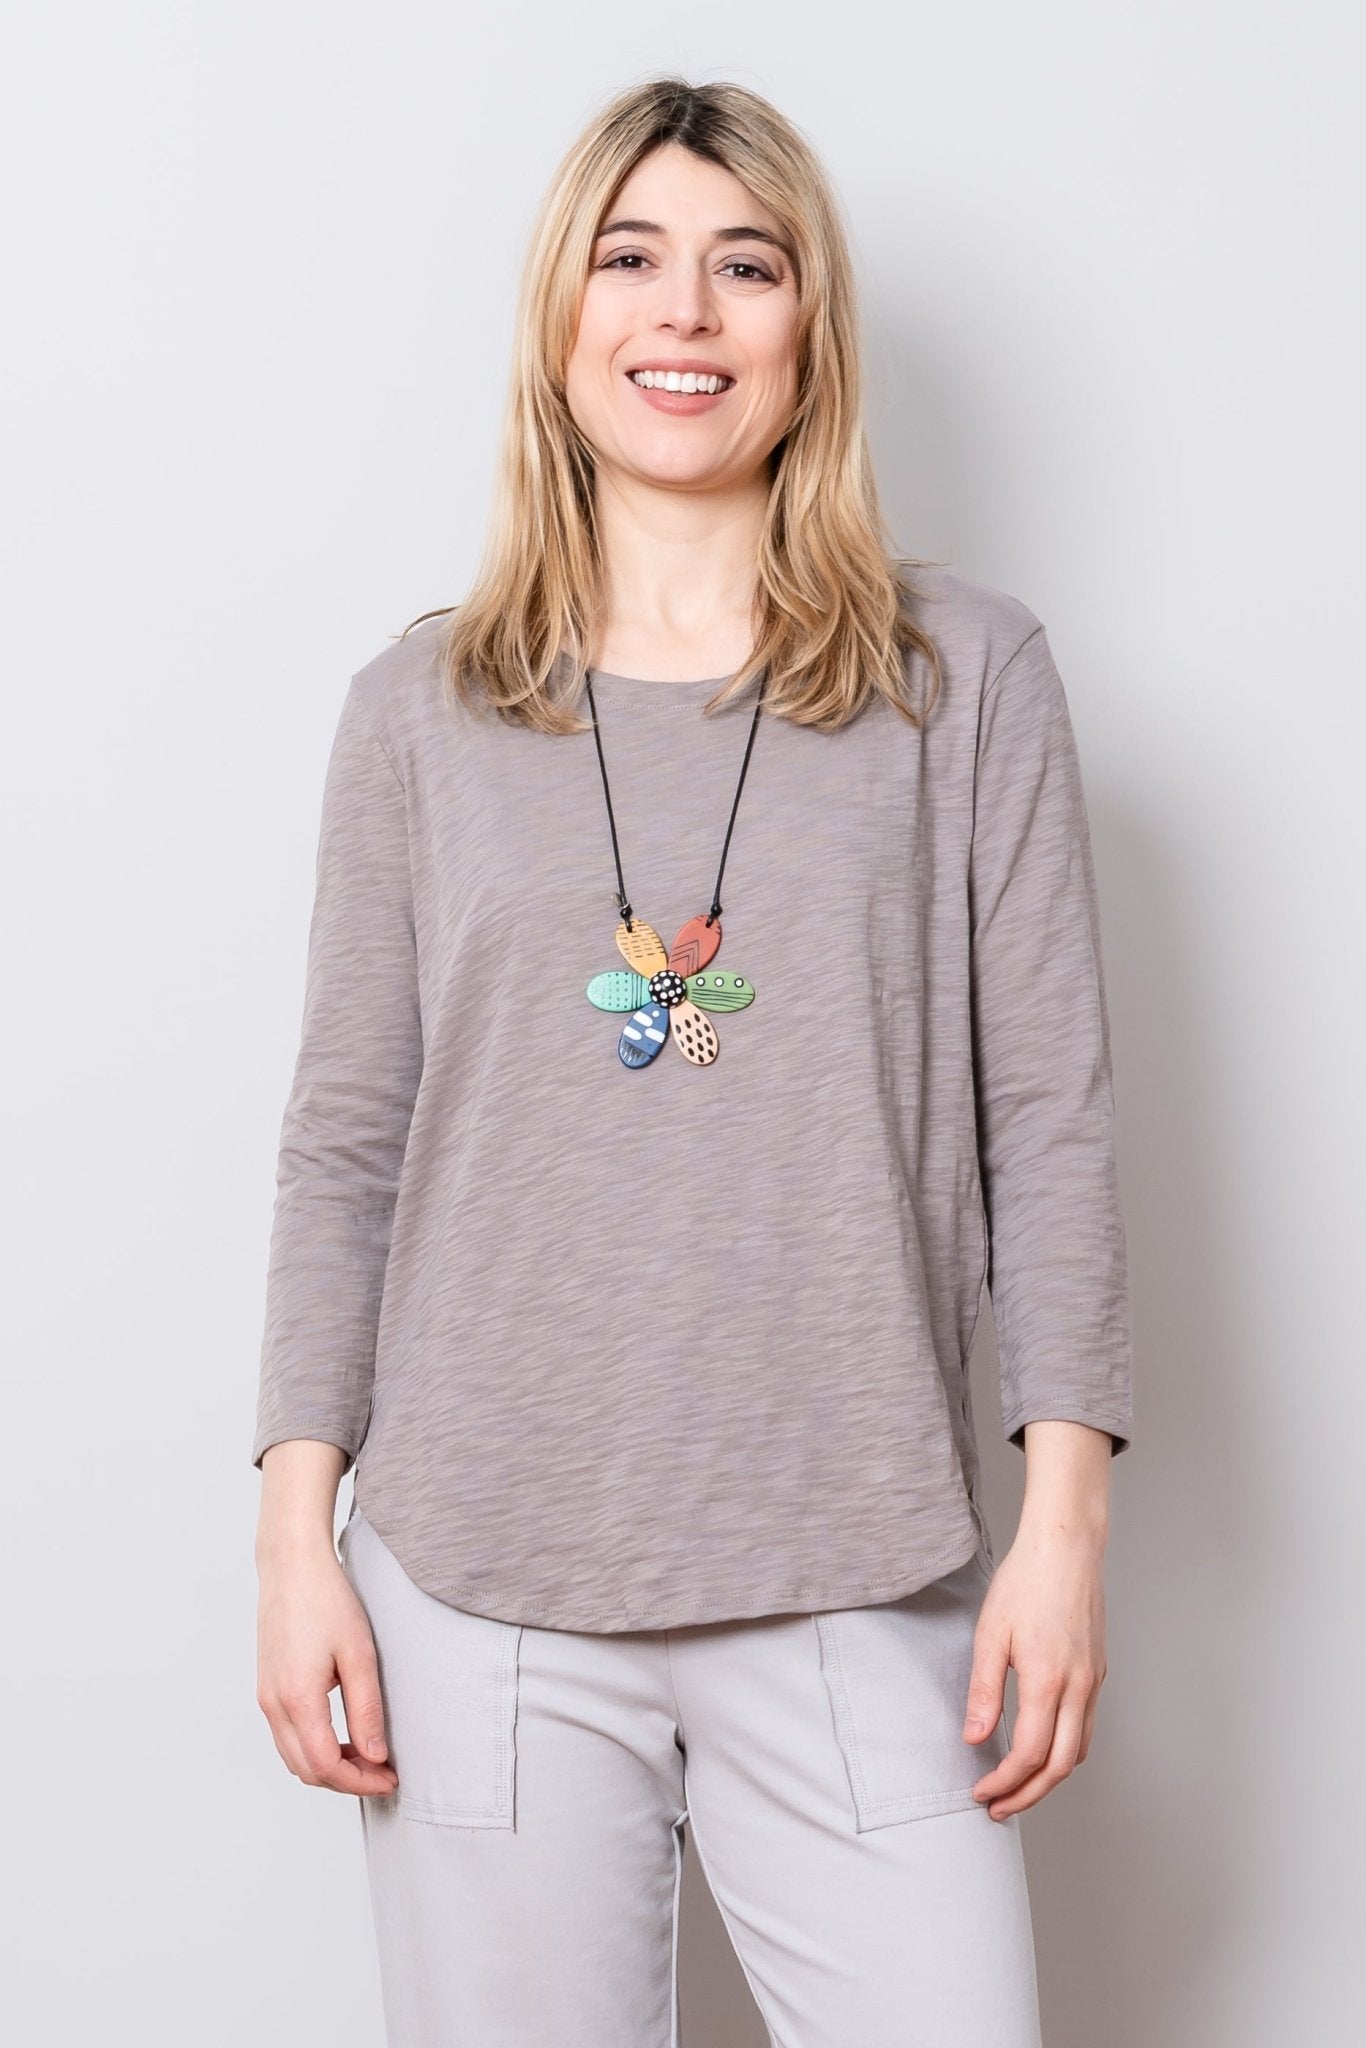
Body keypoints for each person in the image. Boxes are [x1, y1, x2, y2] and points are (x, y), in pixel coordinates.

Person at [252, 74, 1134, 2048]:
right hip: (477, 1585)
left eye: (746, 267)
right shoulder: (418, 710)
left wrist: (1061, 1531)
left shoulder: (960, 678)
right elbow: (345, 1145)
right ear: (558, 317)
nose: (683, 312)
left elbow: (1050, 1124)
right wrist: (294, 1537)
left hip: (858, 1565)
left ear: (809, 325)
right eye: (628, 258)